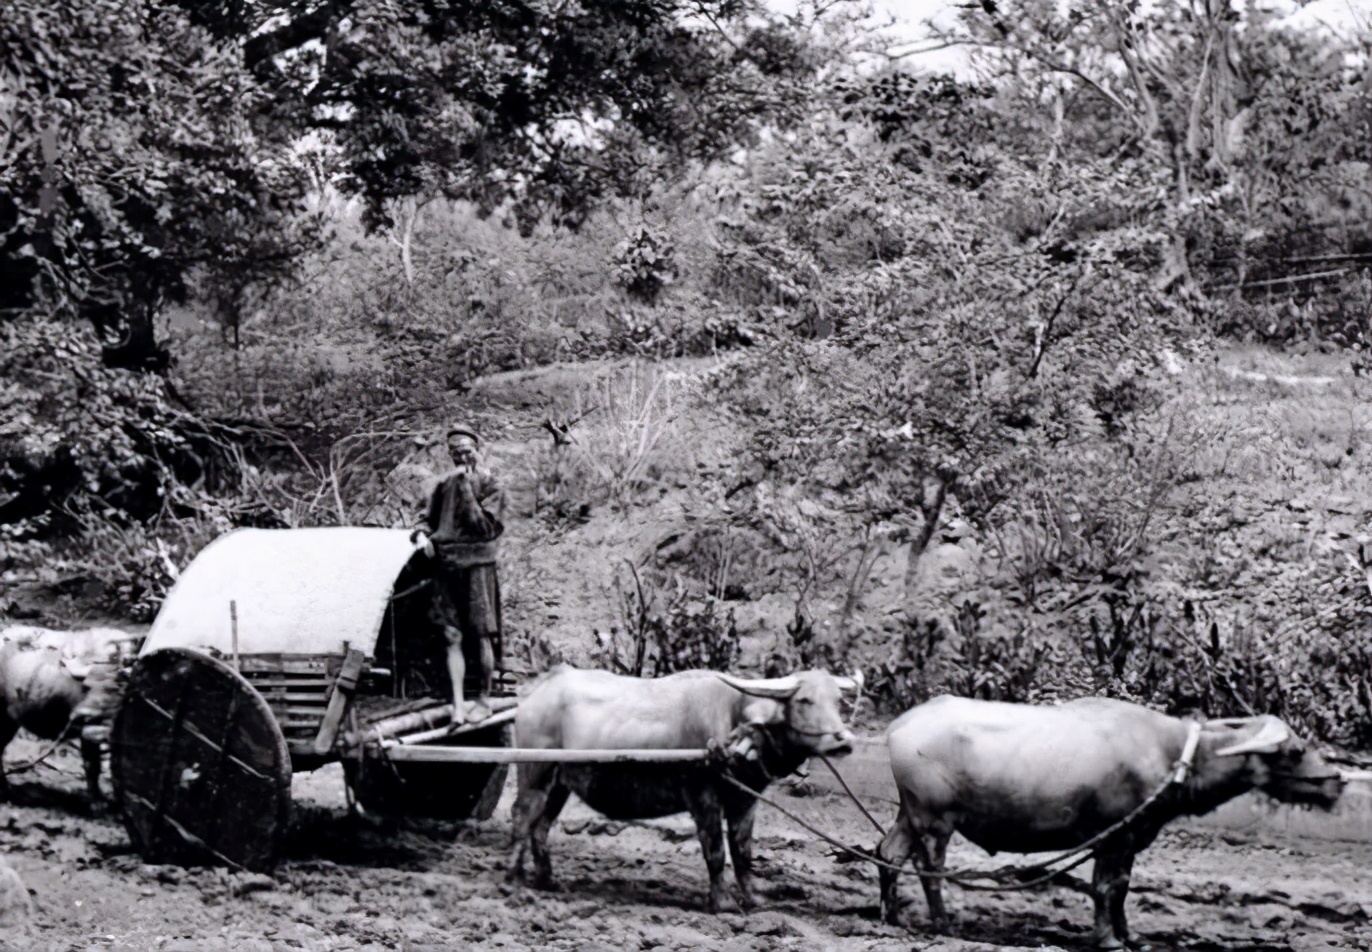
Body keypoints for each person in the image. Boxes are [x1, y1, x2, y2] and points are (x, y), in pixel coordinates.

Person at [412, 426, 504, 725]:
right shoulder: (443, 484)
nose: (462, 456)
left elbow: (488, 527)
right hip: (446, 563)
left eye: (467, 450)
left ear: (478, 449)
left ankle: (484, 698)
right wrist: (422, 537)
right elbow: (426, 517)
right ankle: (458, 705)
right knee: (451, 635)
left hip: (477, 563)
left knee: (481, 634)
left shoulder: (491, 483)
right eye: (455, 452)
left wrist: (466, 486)